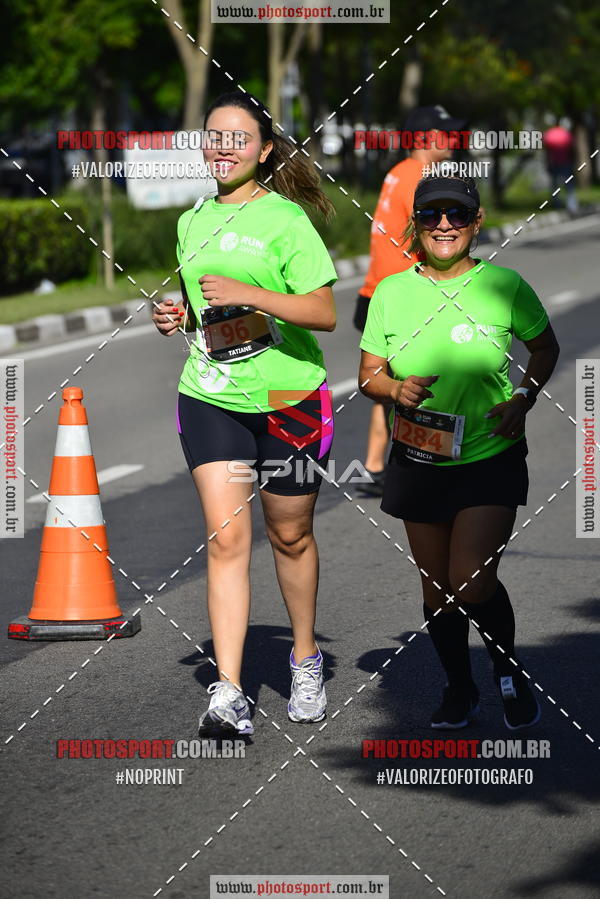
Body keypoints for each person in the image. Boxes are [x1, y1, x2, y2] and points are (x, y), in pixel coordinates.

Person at [152, 90, 338, 736]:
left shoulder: (287, 220)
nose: (222, 148)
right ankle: (229, 692)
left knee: (289, 534)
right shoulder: (190, 221)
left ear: (262, 151)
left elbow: (323, 312)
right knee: (228, 538)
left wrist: (249, 292)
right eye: (213, 136)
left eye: (237, 138)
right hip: (212, 395)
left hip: (289, 400)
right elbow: (199, 312)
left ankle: (305, 658)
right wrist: (171, 316)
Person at [359, 174, 560, 730]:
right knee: (437, 587)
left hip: (489, 454)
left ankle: (508, 671)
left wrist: (524, 396)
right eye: (431, 215)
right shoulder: (393, 294)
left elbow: (544, 346)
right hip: (419, 458)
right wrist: (394, 390)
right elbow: (367, 375)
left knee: (471, 577)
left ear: (476, 224)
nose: (443, 225)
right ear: (416, 226)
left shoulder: (504, 285)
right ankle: (460, 688)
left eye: (455, 214)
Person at [354, 105, 466, 497]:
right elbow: (432, 241)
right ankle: (420, 463)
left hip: (373, 290)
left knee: (388, 383)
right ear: (422, 139)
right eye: (444, 133)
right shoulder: (422, 179)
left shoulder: (398, 172)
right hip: (400, 295)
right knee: (422, 379)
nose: (453, 140)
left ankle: (373, 465)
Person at [543, 122, 579, 215]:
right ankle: (572, 206)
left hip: (554, 163)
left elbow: (547, 152)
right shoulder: (566, 135)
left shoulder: (550, 136)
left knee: (555, 185)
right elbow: (572, 149)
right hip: (565, 163)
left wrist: (547, 163)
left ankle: (557, 204)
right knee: (569, 185)